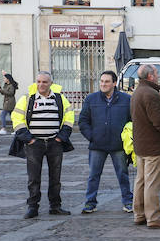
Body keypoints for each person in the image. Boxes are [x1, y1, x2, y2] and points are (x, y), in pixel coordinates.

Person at [10, 72, 75, 219]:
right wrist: (29, 139)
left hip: (54, 143)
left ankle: (55, 206)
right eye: (38, 81)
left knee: (55, 177)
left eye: (45, 82)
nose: (41, 85)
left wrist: (61, 137)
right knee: (33, 178)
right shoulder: (27, 98)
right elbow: (17, 118)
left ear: (50, 83)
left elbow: (69, 117)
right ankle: (33, 207)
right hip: (34, 144)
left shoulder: (59, 98)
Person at [78, 70, 133, 214]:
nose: (103, 84)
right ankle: (90, 202)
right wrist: (91, 136)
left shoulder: (126, 100)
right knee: (93, 175)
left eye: (107, 81)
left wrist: (127, 139)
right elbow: (83, 121)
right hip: (97, 145)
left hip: (118, 145)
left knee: (123, 174)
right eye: (101, 81)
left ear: (114, 83)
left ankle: (128, 201)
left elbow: (133, 121)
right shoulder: (91, 99)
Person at [130, 65, 160, 229]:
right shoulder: (151, 93)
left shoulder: (137, 92)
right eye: (156, 73)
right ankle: (153, 217)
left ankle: (139, 214)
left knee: (140, 181)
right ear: (150, 76)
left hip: (141, 144)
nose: (158, 76)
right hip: (153, 145)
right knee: (152, 183)